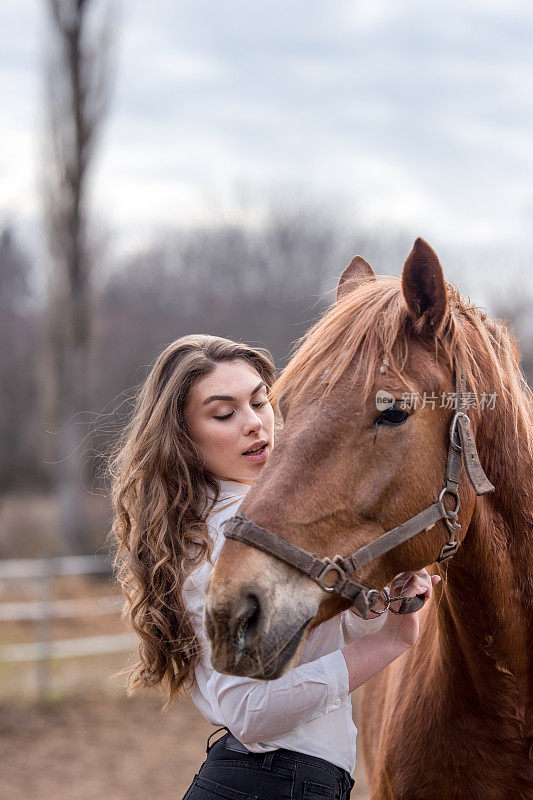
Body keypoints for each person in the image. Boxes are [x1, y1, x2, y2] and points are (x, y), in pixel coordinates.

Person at [110, 334, 440, 800]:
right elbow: (250, 709)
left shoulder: (239, 526)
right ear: (182, 439)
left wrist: (382, 600)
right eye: (224, 413)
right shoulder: (236, 533)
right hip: (274, 783)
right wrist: (391, 641)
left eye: (260, 401)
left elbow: (313, 645)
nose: (254, 424)